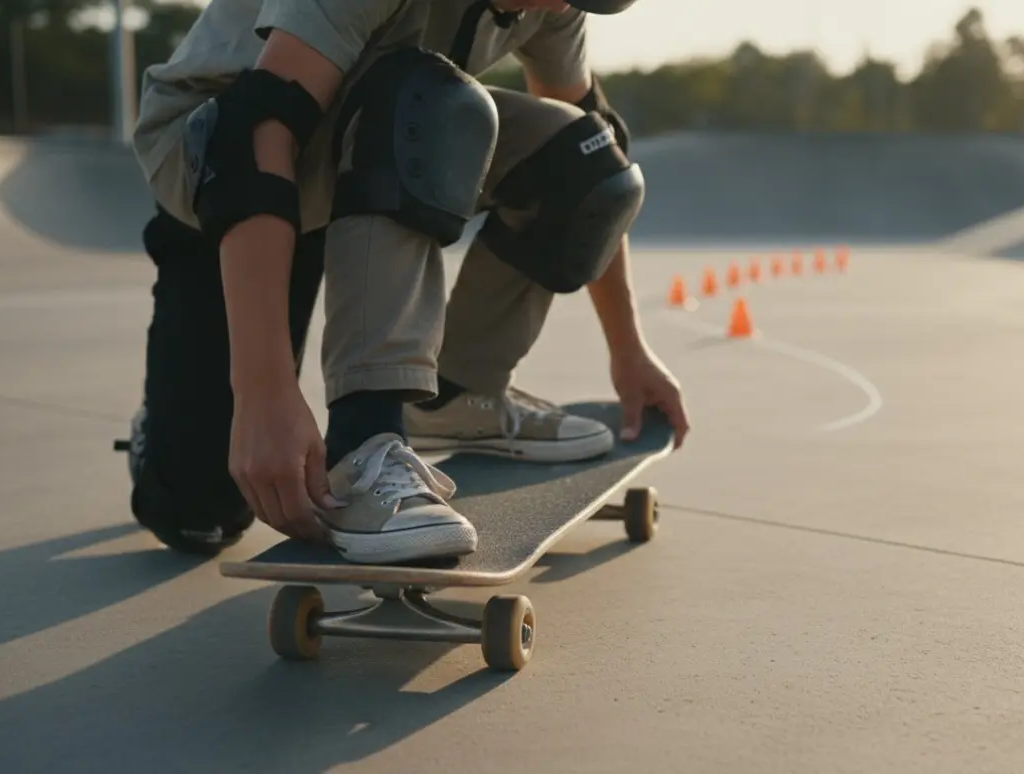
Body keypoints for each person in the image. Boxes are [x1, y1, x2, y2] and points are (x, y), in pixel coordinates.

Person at [124, 0, 690, 566]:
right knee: (200, 512)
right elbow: (251, 130)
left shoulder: (556, 7)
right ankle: (355, 448)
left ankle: (454, 396)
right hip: (219, 159)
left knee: (588, 151)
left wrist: (628, 350)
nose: (550, 5)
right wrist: (262, 394)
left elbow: (587, 146)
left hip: (372, 142)